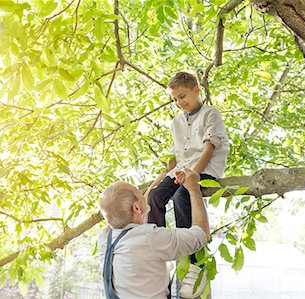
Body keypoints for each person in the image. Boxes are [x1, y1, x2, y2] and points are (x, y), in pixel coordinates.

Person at [147, 71, 229, 298]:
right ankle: (157, 248)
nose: (179, 103)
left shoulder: (211, 114)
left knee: (181, 196)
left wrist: (193, 174)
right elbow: (174, 158)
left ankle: (195, 260)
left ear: (196, 91)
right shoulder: (176, 122)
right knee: (154, 197)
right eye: (174, 99)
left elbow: (208, 149)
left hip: (205, 168)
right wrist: (157, 181)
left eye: (182, 96)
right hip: (181, 170)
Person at [98, 168, 210, 299]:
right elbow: (201, 234)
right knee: (196, 289)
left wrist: (159, 180)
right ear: (136, 208)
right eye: (139, 192)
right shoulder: (149, 238)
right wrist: (194, 189)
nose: (143, 192)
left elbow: (134, 211)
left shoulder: (105, 237)